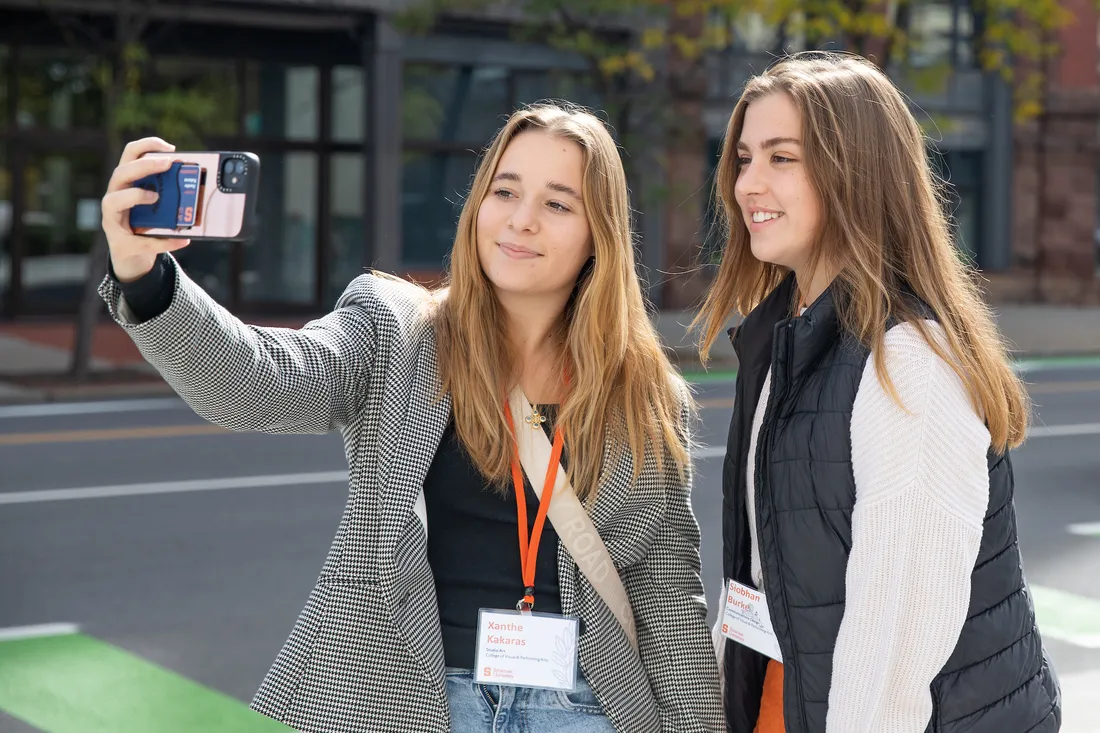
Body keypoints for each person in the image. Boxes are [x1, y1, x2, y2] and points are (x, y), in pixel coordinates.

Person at [98, 103, 724, 733]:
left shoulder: (642, 394)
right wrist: (146, 275)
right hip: (396, 699)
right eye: (504, 191)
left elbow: (665, 589)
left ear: (600, 235)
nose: (521, 220)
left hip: (582, 706)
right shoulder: (397, 333)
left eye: (558, 204)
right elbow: (259, 380)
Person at [693, 52, 1060, 732]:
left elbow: (895, 639)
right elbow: (762, 582)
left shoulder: (908, 359)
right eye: (743, 158)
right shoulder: (780, 338)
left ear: (854, 172)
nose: (748, 184)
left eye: (781, 158)